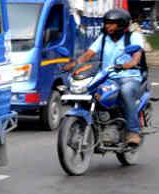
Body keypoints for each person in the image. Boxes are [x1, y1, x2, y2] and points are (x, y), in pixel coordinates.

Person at [63, 8, 147, 146]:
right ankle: (100, 122)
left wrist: (129, 64)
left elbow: (137, 56)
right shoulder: (104, 38)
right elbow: (88, 55)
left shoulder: (133, 37)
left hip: (129, 76)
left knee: (125, 92)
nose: (107, 26)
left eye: (111, 23)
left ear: (121, 25)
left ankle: (133, 131)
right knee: (90, 91)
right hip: (107, 77)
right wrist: (73, 65)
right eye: (106, 23)